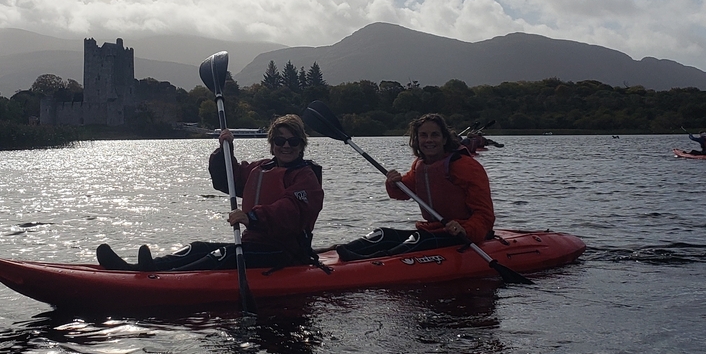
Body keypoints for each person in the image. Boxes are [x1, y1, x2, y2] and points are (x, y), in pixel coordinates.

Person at [96, 114, 324, 271]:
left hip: (284, 252)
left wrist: (251, 216)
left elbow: (291, 211)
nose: (286, 145)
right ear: (272, 143)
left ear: (301, 143)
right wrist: (226, 149)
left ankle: (161, 279)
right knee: (198, 248)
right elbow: (228, 179)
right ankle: (142, 269)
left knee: (222, 256)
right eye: (279, 140)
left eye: (292, 140)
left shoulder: (306, 177)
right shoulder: (262, 168)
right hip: (253, 245)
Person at [335, 113, 496, 261]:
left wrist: (466, 229)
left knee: (419, 240)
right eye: (423, 135)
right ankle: (341, 251)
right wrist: (393, 182)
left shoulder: (468, 168)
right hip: (434, 229)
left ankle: (375, 261)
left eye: (435, 135)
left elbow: (485, 216)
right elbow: (402, 191)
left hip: (462, 234)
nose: (429, 140)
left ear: (445, 139)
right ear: (417, 140)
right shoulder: (420, 166)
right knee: (382, 234)